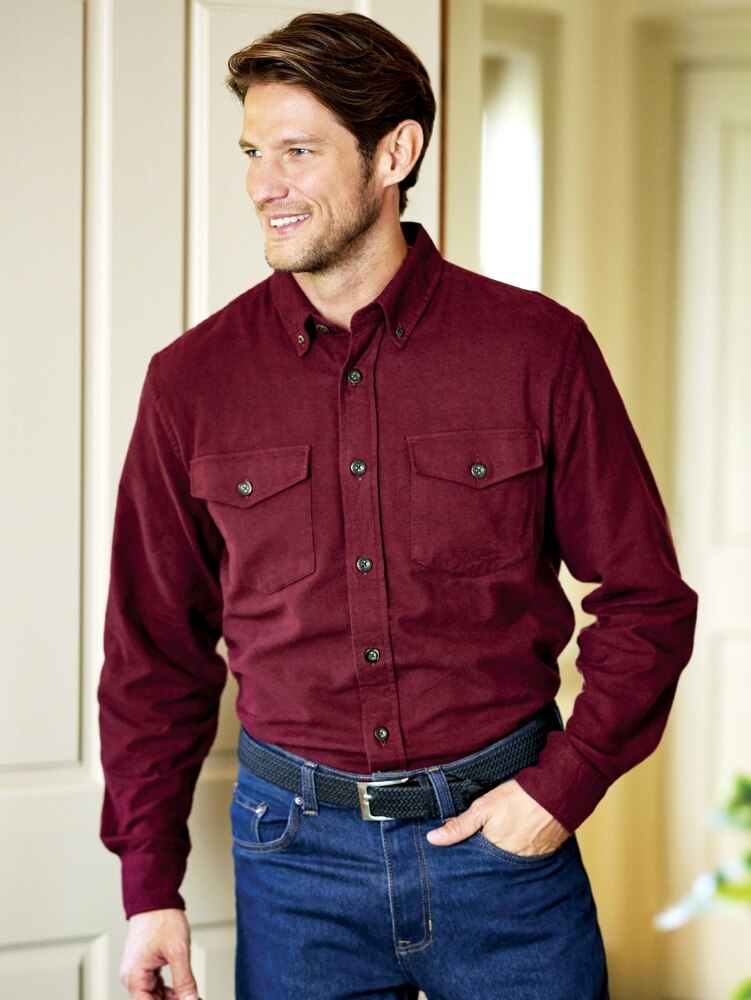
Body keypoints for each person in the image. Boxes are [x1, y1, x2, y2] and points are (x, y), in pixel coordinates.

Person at [99, 11, 697, 1000]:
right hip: (292, 864)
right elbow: (150, 651)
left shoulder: (537, 350)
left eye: (297, 151)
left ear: (395, 153)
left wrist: (560, 790)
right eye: (252, 152)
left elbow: (646, 600)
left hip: (504, 853)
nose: (262, 183)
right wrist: (149, 886)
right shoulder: (190, 383)